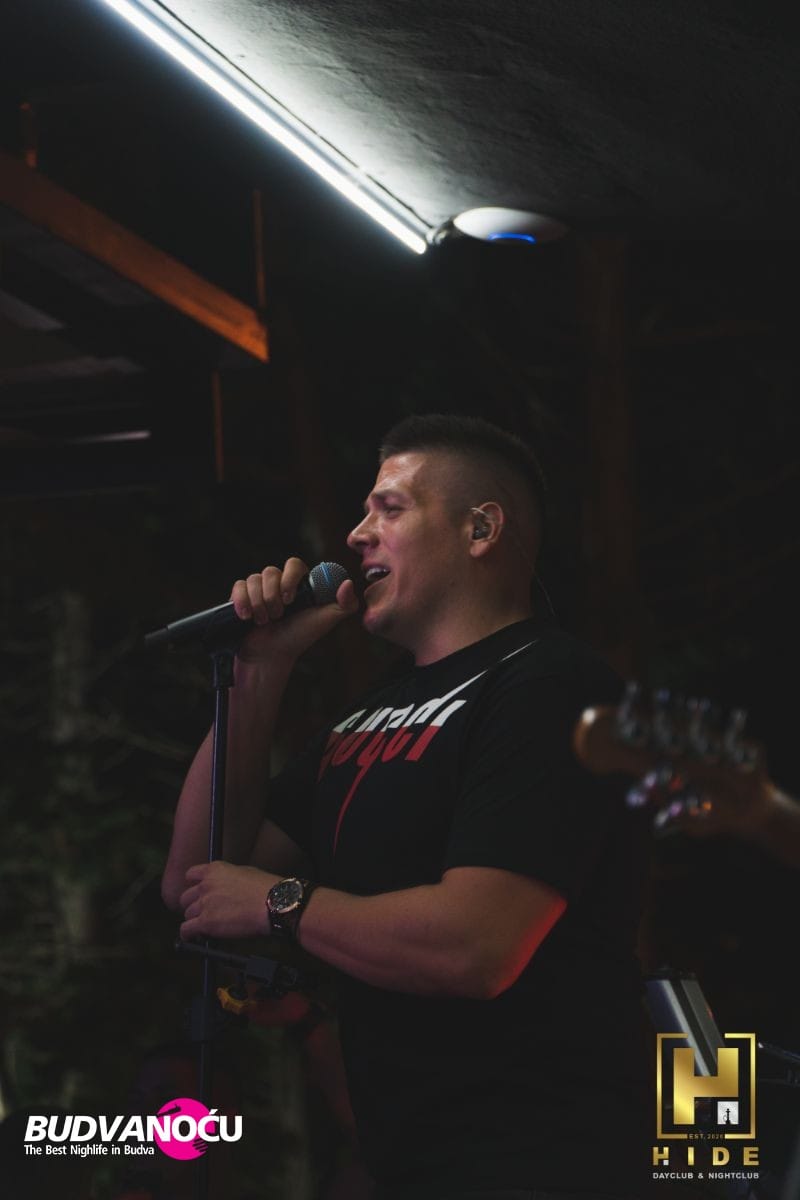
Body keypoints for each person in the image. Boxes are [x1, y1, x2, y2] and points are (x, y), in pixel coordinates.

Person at [162, 413, 654, 1200]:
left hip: (541, 1164)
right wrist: (261, 670)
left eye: (389, 508)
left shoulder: (552, 686)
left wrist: (280, 904)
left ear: (480, 529)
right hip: (409, 1162)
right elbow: (198, 880)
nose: (357, 535)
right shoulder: (373, 712)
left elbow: (477, 946)